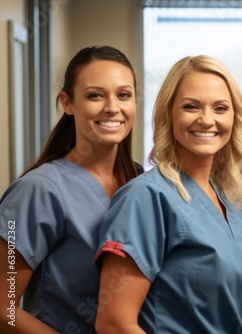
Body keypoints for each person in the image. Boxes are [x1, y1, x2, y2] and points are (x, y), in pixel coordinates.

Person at [94, 55, 242, 334]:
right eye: (191, 106)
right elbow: (113, 323)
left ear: (234, 118)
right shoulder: (146, 197)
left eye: (221, 108)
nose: (207, 119)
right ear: (168, 113)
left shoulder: (227, 199)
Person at [0, 45, 140, 333]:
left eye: (123, 94)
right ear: (68, 103)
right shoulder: (37, 192)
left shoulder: (140, 181)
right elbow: (3, 309)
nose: (112, 107)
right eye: (95, 95)